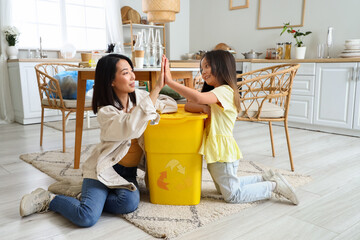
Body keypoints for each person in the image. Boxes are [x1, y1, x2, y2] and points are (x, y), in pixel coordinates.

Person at [20, 54, 176, 226]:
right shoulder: (106, 112)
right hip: (104, 170)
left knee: (129, 203)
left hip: (128, 173)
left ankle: (82, 194)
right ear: (111, 81)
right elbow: (129, 127)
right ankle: (49, 199)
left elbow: (169, 104)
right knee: (86, 217)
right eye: (126, 73)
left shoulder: (140, 98)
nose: (133, 76)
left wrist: (150, 106)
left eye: (132, 71)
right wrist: (156, 89)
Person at [163, 50, 299, 205]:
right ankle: (264, 177)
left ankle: (273, 186)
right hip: (217, 152)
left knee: (233, 196)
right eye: (202, 68)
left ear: (222, 67)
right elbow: (189, 104)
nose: (203, 71)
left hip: (223, 154)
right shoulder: (215, 94)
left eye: (207, 66)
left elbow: (198, 98)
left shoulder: (225, 91)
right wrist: (203, 109)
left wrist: (170, 81)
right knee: (225, 189)